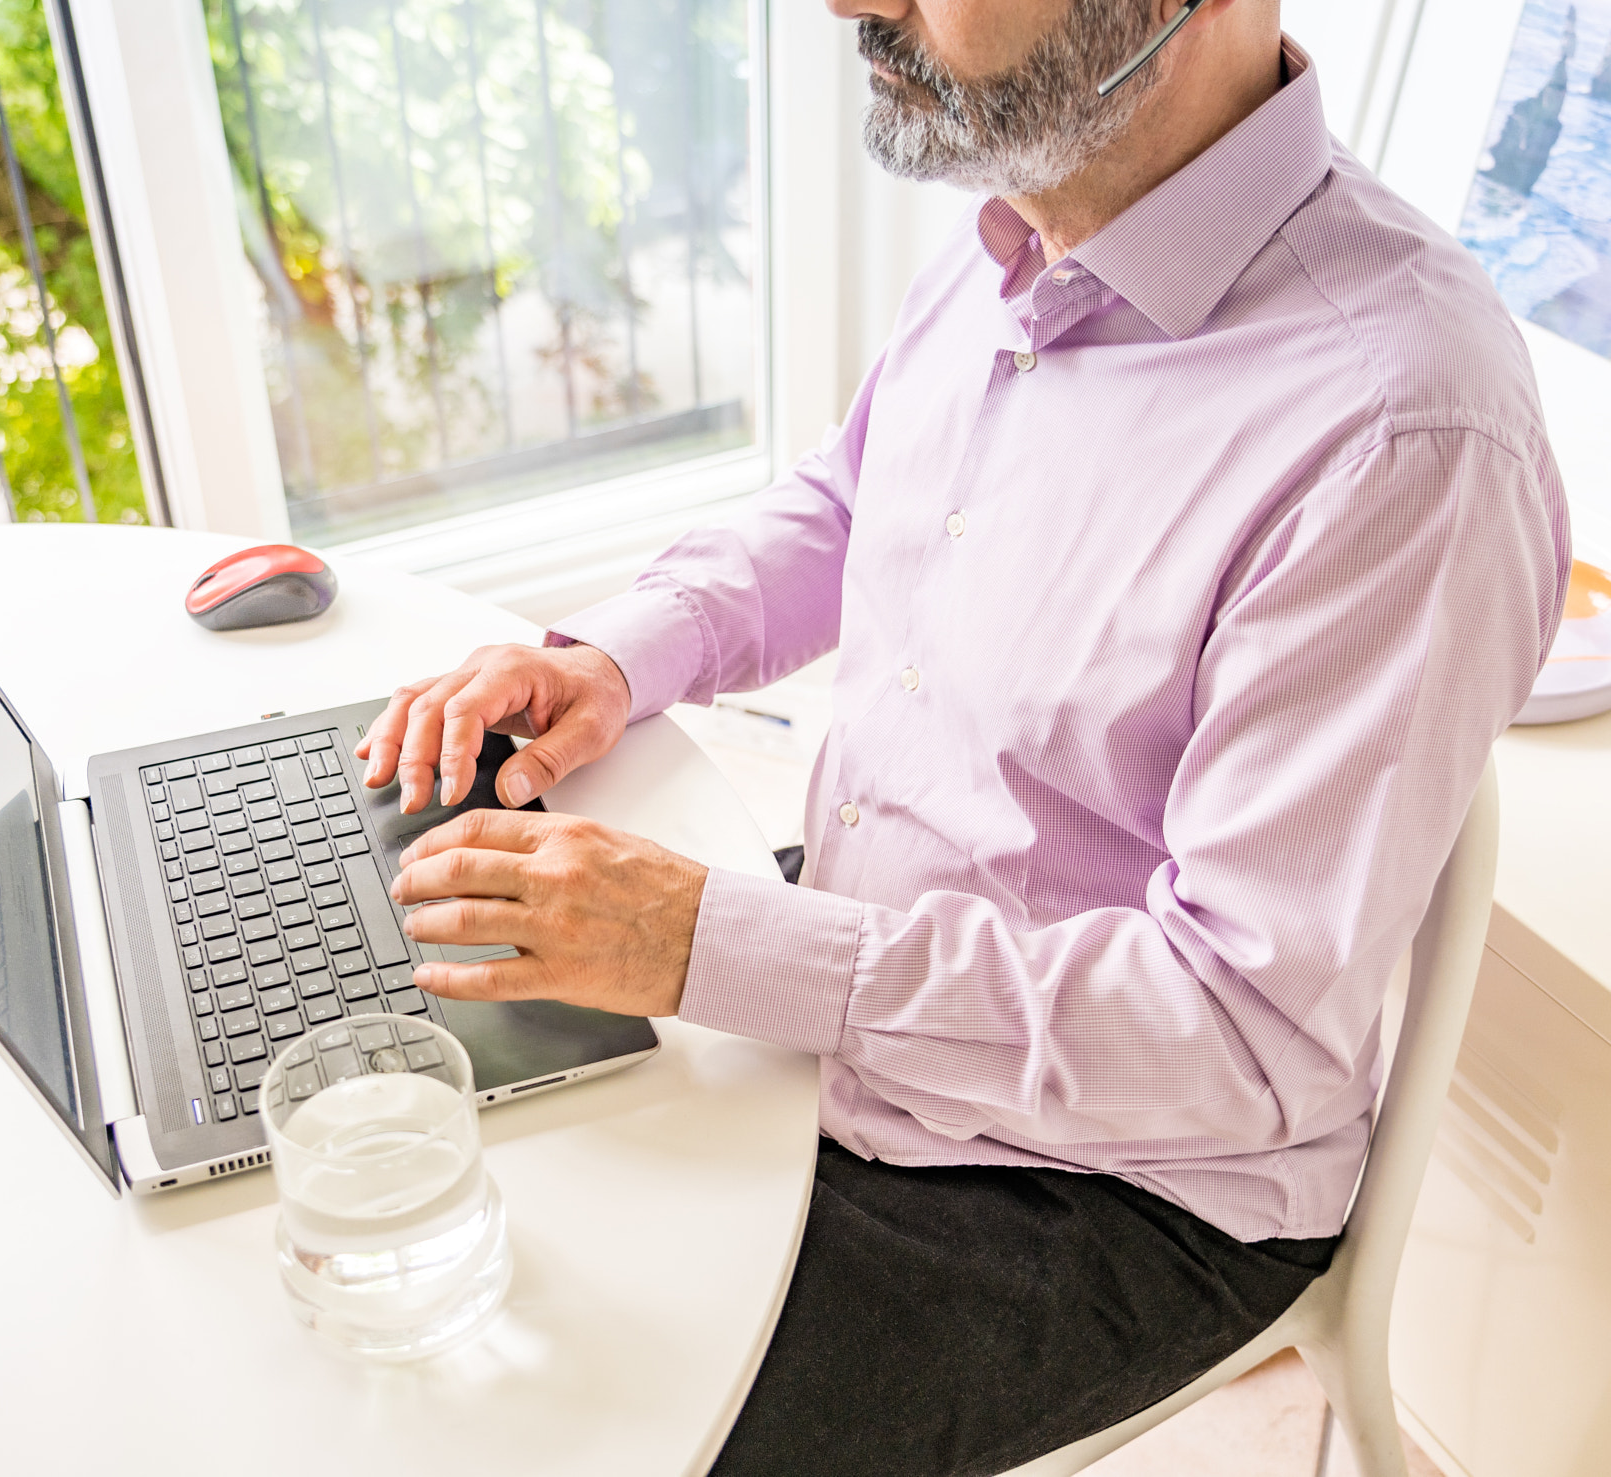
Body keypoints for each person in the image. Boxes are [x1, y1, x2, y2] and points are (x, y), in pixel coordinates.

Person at [359, 0, 1569, 1471]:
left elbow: (1242, 1037)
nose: (849, 3)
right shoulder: (1033, 212)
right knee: (410, 1125)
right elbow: (859, 496)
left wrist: (704, 945)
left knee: (544, 1427)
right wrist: (620, 657)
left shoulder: (1406, 432)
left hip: (1118, 1184)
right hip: (881, 942)